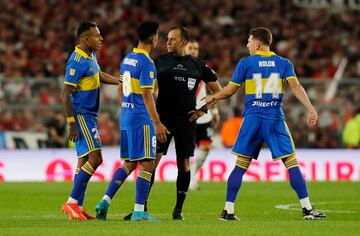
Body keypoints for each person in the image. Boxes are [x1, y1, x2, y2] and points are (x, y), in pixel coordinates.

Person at [204, 27, 326, 220]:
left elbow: (229, 90)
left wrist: (214, 97)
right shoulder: (284, 63)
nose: (247, 44)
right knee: (291, 163)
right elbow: (296, 86)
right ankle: (307, 209)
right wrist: (311, 108)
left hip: (252, 119)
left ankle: (228, 210)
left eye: (249, 41)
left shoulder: (246, 63)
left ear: (257, 44)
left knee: (241, 165)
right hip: (274, 119)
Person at [125, 26, 222, 220]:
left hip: (186, 121)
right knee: (151, 163)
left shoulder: (197, 65)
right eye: (167, 38)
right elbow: (147, 90)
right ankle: (140, 208)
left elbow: (218, 91)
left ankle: (178, 210)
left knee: (183, 164)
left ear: (184, 42)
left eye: (172, 39)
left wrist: (203, 110)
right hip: (163, 120)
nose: (167, 42)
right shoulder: (158, 62)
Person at [95, 20, 168, 222]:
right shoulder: (147, 63)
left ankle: (105, 201)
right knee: (147, 163)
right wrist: (157, 122)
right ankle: (138, 211)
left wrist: (126, 107)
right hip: (141, 118)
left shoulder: (128, 59)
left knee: (128, 163)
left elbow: (120, 89)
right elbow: (147, 95)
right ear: (154, 39)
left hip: (126, 116)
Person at [61, 22, 118, 220]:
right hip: (82, 114)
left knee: (84, 160)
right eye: (97, 36)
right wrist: (71, 122)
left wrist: (120, 82)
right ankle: (71, 202)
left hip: (90, 114)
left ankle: (77, 206)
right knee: (96, 159)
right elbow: (65, 93)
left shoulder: (90, 55)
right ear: (85, 39)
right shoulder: (76, 61)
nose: (101, 39)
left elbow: (99, 75)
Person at [185, 39, 220, 191]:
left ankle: (193, 174)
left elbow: (214, 91)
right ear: (184, 48)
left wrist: (215, 110)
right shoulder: (178, 67)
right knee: (187, 150)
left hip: (204, 116)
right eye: (190, 47)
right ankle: (187, 178)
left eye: (196, 48)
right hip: (186, 116)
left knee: (206, 148)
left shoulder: (202, 68)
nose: (193, 50)